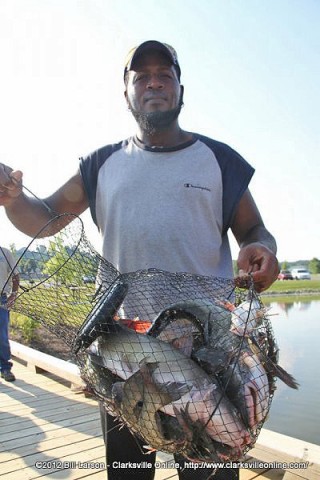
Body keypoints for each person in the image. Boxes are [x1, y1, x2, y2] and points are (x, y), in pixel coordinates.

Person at [0, 40, 279, 479]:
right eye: (141, 76)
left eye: (164, 74)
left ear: (180, 90)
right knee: (129, 472)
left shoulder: (221, 161)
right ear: (126, 92)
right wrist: (12, 199)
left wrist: (263, 250)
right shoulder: (99, 164)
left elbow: (254, 231)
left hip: (208, 358)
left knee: (209, 472)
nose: (154, 83)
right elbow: (46, 219)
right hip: (123, 358)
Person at [0, 246, 20, 382]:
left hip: (1, 299)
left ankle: (5, 368)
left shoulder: (5, 253)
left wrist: (13, 294)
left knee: (2, 336)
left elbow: (16, 274)